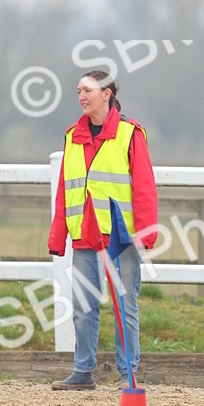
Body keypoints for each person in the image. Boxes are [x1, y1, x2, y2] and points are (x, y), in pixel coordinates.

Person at [47, 70, 158, 389]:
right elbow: (64, 190)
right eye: (78, 91)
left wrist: (146, 233)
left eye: (88, 90)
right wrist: (59, 235)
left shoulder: (130, 133)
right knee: (83, 306)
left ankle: (128, 373)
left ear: (107, 94)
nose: (81, 96)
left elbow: (144, 186)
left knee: (125, 306)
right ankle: (83, 371)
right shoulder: (72, 135)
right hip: (85, 235)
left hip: (121, 237)